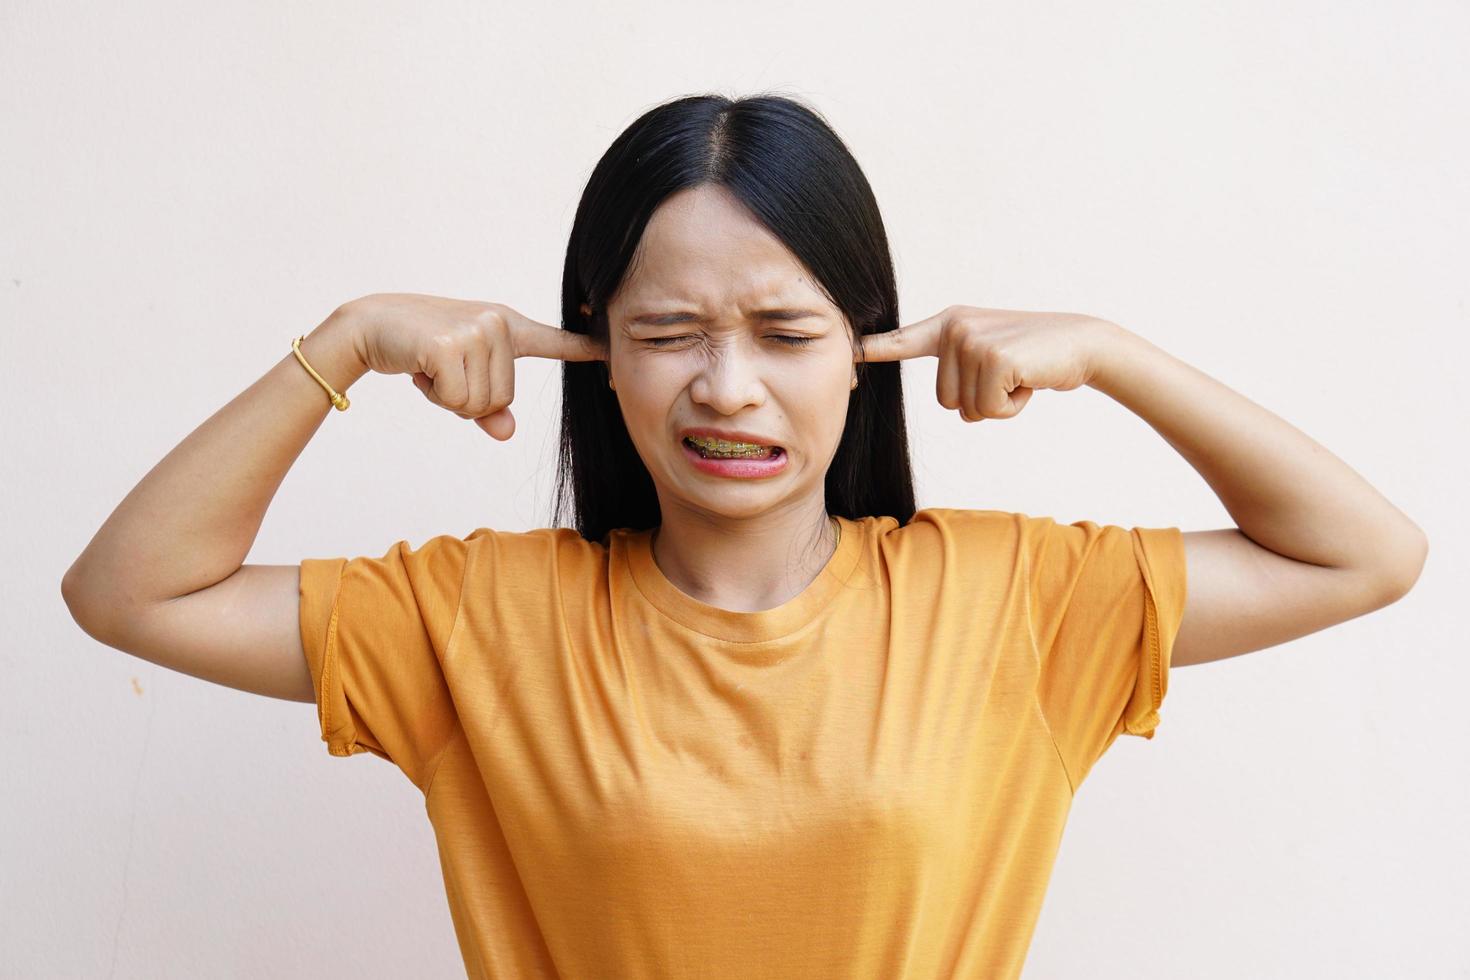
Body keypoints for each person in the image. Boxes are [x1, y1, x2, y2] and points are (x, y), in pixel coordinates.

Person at [61, 93, 1427, 979]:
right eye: (667, 334)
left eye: (784, 334)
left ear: (865, 354)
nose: (726, 386)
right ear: (596, 354)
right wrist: (344, 343)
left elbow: (1362, 553)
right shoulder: (478, 618)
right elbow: (130, 594)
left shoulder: (1012, 594)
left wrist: (1113, 354)